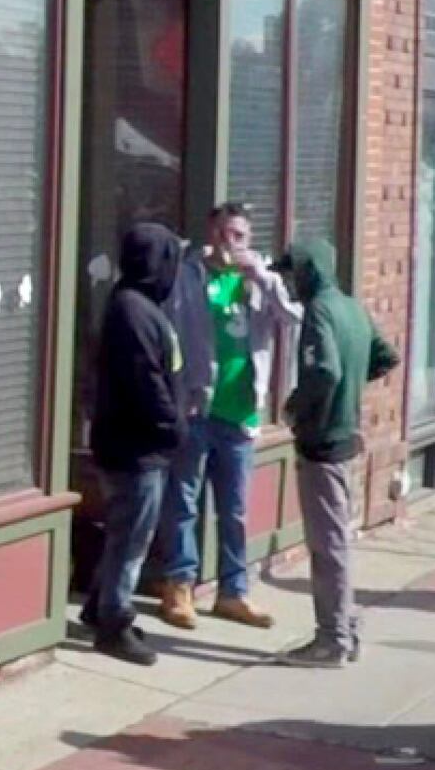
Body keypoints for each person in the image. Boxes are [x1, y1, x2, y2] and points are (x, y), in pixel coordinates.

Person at [160, 204, 300, 632]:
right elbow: (166, 326)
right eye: (223, 234)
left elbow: (293, 319)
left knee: (235, 510)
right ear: (211, 233)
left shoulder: (259, 279)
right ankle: (179, 587)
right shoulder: (189, 276)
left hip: (240, 413)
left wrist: (263, 279)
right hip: (197, 408)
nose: (230, 244)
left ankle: (233, 592)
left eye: (238, 236)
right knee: (184, 502)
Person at [275, 235, 392, 667]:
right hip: (346, 439)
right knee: (337, 539)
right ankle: (345, 630)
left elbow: (324, 369)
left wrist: (294, 407)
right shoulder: (351, 307)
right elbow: (385, 356)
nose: (289, 281)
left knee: (328, 546)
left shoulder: (321, 310)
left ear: (308, 271)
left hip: (323, 441)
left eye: (292, 271)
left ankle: (333, 639)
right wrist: (352, 387)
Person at [81, 224, 187, 665]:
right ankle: (113, 623)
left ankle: (99, 605)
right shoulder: (132, 311)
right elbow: (146, 382)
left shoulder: (140, 306)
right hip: (134, 448)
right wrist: (172, 426)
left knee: (127, 533)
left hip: (140, 444)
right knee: (132, 541)